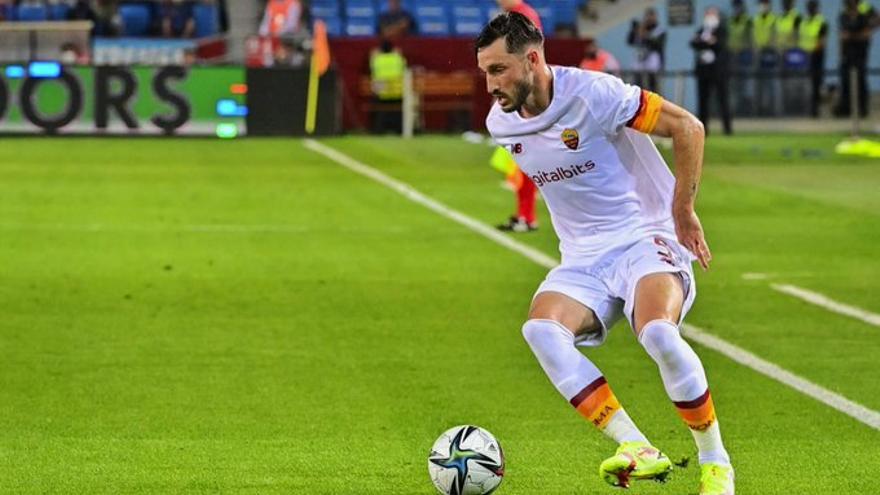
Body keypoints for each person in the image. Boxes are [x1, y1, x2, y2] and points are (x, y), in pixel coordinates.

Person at [476, 12, 734, 495]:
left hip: (645, 237)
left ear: (532, 59)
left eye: (498, 70)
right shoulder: (500, 123)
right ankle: (636, 446)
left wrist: (683, 210)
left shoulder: (596, 94)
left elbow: (689, 127)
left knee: (657, 333)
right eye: (485, 71)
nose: (489, 84)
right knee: (541, 332)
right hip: (582, 258)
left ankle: (716, 463)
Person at [495, 0, 542, 232]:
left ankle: (528, 216)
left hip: (524, 94)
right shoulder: (512, 15)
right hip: (517, 92)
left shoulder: (522, 16)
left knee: (524, 156)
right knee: (519, 156)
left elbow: (525, 57)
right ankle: (523, 214)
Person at [692, 7, 732, 135]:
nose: (709, 16)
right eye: (708, 13)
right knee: (703, 100)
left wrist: (706, 42)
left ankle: (727, 129)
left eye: (712, 14)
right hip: (703, 71)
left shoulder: (722, 30)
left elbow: (720, 45)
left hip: (718, 71)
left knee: (723, 99)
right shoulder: (701, 30)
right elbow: (694, 43)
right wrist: (708, 42)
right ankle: (704, 129)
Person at [836, 0, 873, 117]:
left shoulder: (863, 17)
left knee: (861, 82)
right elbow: (842, 36)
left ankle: (862, 108)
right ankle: (845, 108)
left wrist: (852, 36)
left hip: (860, 55)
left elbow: (866, 35)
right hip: (847, 55)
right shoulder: (843, 17)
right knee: (845, 82)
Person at [369, 40, 406, 134]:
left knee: (376, 91)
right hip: (397, 93)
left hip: (382, 93)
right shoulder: (397, 58)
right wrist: (399, 54)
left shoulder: (377, 59)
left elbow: (372, 69)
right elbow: (404, 69)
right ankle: (399, 128)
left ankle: (378, 128)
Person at [799, 0, 828, 117]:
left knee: (815, 84)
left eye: (812, 7)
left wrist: (811, 50)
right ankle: (803, 109)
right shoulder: (803, 22)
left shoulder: (821, 22)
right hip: (803, 58)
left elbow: (822, 42)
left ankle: (814, 111)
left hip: (816, 58)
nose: (810, 10)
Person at [627, 8, 665, 93]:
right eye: (647, 16)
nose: (649, 19)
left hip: (653, 61)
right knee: (638, 84)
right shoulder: (640, 28)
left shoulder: (659, 30)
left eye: (652, 16)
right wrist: (634, 30)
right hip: (639, 60)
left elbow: (657, 45)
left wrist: (645, 35)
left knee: (653, 85)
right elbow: (630, 41)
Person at [727, 0, 752, 114]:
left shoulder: (747, 21)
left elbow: (751, 39)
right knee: (733, 85)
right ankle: (735, 109)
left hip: (744, 57)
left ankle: (747, 108)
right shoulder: (730, 20)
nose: (737, 9)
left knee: (746, 84)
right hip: (732, 57)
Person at [752, 0, 777, 115]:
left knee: (772, 84)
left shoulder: (773, 19)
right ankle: (759, 110)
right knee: (759, 84)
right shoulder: (756, 19)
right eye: (761, 4)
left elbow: (776, 36)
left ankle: (773, 110)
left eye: (765, 4)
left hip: (771, 54)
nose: (763, 6)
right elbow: (753, 36)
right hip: (758, 54)